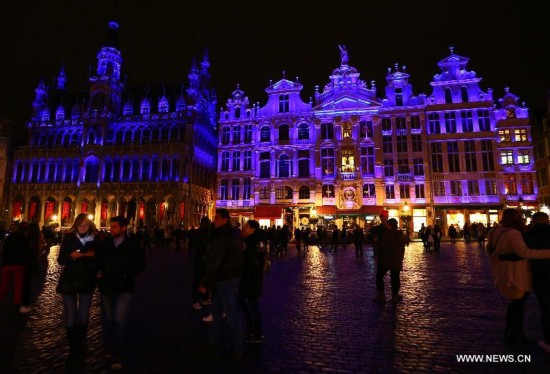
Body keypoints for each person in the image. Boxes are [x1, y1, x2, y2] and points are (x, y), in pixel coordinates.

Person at [486, 208, 550, 345]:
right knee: (518, 306)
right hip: (516, 274)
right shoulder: (513, 233)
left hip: (503, 274)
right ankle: (517, 337)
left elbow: (491, 252)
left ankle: (512, 334)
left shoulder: (494, 232)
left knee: (515, 305)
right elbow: (524, 252)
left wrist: (502, 257)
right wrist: (546, 253)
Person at [97, 216, 146, 370]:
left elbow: (140, 264)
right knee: (109, 318)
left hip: (124, 287)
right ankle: (109, 345)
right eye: (111, 226)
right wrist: (99, 272)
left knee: (119, 320)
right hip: (107, 286)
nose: (111, 229)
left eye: (115, 227)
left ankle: (116, 353)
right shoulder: (106, 243)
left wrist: (128, 274)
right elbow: (98, 260)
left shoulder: (132, 244)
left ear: (124, 228)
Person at [199, 208, 245, 360]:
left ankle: (238, 348)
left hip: (225, 278)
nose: (214, 221)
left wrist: (205, 281)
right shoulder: (233, 234)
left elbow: (216, 261)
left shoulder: (224, 236)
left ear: (225, 219)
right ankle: (212, 341)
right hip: (226, 277)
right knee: (217, 312)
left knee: (231, 314)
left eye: (217, 218)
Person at [55, 214, 99, 363]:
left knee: (83, 313)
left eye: (86, 225)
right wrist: (72, 256)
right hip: (70, 281)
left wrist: (94, 256)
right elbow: (61, 260)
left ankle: (81, 343)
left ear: (90, 225)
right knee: (71, 314)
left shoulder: (96, 239)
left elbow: (101, 258)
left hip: (87, 280)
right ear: (76, 225)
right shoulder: (68, 238)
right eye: (80, 225)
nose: (83, 228)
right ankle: (73, 347)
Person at [523, 212, 550, 352]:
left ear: (533, 222)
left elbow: (523, 254)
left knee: (545, 307)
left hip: (540, 275)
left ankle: (548, 340)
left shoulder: (527, 235)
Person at [239, 220, 265, 344]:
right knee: (250, 305)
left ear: (252, 229)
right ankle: (253, 330)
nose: (244, 228)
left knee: (252, 306)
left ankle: (256, 333)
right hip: (253, 279)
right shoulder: (255, 242)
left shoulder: (251, 243)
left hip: (250, 280)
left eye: (246, 226)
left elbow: (250, 263)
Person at [0, 222, 31, 312]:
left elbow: (4, 250)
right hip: (18, 264)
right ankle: (17, 305)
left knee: (4, 285)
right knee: (18, 286)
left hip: (7, 264)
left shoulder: (9, 237)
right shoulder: (24, 239)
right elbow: (26, 252)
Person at [373, 218, 406, 303]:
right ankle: (394, 295)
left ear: (390, 225)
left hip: (387, 260)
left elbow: (382, 247)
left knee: (379, 276)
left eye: (387, 224)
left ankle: (381, 295)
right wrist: (401, 258)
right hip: (397, 260)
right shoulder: (400, 234)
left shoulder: (387, 234)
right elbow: (402, 248)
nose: (386, 225)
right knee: (395, 277)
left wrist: (377, 242)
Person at [20, 223, 45, 313]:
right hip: (32, 263)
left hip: (23, 262)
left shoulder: (26, 237)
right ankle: (25, 304)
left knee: (22, 283)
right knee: (27, 284)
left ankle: (20, 302)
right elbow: (41, 250)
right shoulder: (39, 238)